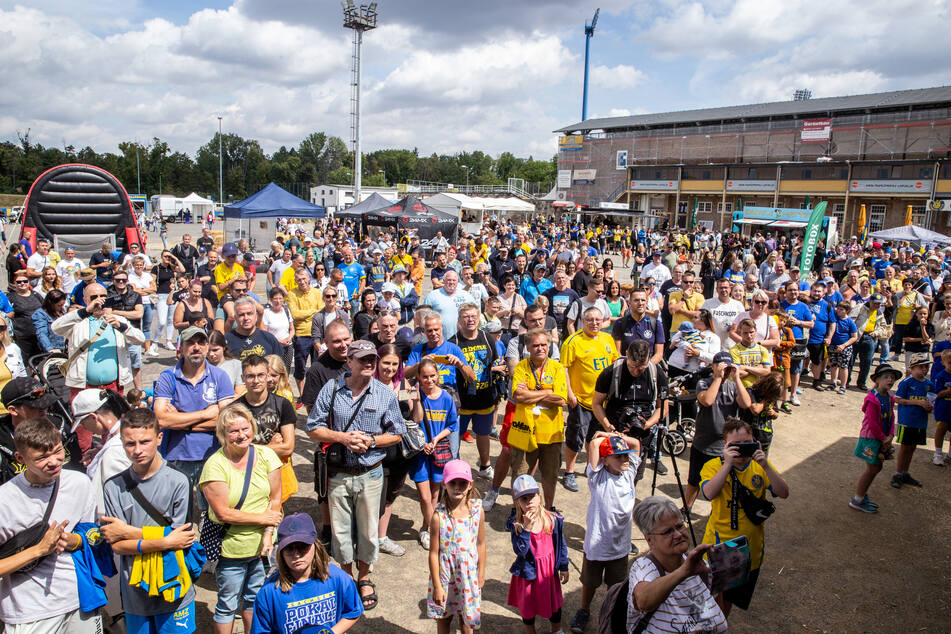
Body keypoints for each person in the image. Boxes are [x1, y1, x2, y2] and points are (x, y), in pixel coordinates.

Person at [305, 340, 406, 611]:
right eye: (363, 359)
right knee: (339, 532)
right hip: (338, 474)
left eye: (372, 358)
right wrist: (343, 438)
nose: (370, 363)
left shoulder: (384, 394)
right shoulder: (332, 389)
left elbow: (398, 433)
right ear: (349, 361)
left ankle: (364, 577)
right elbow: (312, 427)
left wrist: (372, 441)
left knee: (369, 532)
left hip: (371, 474)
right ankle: (346, 576)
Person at [100, 408, 198, 634]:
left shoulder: (178, 481)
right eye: (129, 444)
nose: (137, 450)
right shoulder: (113, 486)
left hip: (174, 587)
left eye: (144, 442)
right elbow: (117, 545)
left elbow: (181, 538)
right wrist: (164, 541)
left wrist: (128, 531)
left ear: (159, 438)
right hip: (136, 594)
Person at [0, 416, 100, 633]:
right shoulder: (5, 500)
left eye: (57, 451)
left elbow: (93, 535)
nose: (54, 461)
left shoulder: (79, 483)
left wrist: (76, 540)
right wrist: (38, 550)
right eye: (42, 457)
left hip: (79, 600)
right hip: (30, 613)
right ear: (20, 458)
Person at [200, 403, 283, 634]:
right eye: (233, 431)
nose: (241, 435)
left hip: (261, 546)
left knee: (254, 599)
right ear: (223, 434)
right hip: (231, 548)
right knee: (227, 603)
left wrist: (268, 533)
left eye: (245, 428)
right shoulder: (215, 466)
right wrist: (262, 519)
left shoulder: (267, 455)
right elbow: (223, 513)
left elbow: (276, 500)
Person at [700, 417, 789, 615]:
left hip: (751, 548)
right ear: (725, 445)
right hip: (721, 547)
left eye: (746, 444)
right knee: (712, 598)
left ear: (755, 442)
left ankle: (721, 626)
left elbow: (783, 492)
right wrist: (727, 465)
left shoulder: (759, 466)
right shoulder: (713, 466)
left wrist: (766, 465)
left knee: (729, 601)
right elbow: (709, 493)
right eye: (735, 445)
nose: (741, 449)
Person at [154, 326, 236, 510]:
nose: (196, 347)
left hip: (213, 455)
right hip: (177, 455)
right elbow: (160, 420)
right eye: (190, 343)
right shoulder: (168, 378)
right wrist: (205, 414)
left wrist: (180, 420)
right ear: (181, 348)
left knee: (211, 514)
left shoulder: (219, 376)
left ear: (207, 346)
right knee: (176, 513)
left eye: (201, 342)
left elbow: (226, 422)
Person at [569, 432, 641, 634]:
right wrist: (602, 437)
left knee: (616, 587)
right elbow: (594, 444)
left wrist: (612, 434)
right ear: (605, 460)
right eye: (618, 456)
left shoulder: (629, 472)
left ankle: (613, 613)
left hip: (620, 546)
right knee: (589, 583)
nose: (625, 459)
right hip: (597, 544)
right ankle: (584, 610)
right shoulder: (597, 476)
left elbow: (635, 442)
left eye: (626, 455)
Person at [627, 496, 726, 633]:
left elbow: (717, 606)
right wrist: (684, 571)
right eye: (667, 532)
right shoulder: (644, 567)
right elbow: (643, 601)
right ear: (649, 539)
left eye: (680, 526)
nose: (678, 534)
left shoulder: (699, 564)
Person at [250, 513, 364, 633]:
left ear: (316, 545)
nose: (297, 555)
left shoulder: (337, 578)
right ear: (281, 552)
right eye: (289, 548)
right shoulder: (269, 592)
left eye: (302, 546)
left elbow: (353, 611)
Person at [52, 282, 146, 407]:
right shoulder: (78, 322)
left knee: (113, 423)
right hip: (83, 386)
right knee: (84, 424)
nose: (99, 301)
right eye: (93, 297)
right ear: (85, 300)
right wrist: (85, 311)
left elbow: (140, 339)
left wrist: (121, 327)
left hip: (113, 386)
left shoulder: (117, 320)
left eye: (103, 296)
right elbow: (56, 327)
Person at [560, 307, 618, 493]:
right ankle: (569, 472)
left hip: (602, 402)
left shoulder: (607, 339)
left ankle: (591, 467)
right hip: (581, 401)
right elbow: (564, 369)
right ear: (583, 321)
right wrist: (569, 393)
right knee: (575, 437)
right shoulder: (573, 342)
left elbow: (615, 364)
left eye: (598, 320)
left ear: (603, 321)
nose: (594, 323)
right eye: (590, 320)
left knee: (595, 437)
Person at [426, 459, 485, 634]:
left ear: (470, 484)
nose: (458, 487)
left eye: (462, 483)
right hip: (445, 577)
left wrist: (481, 572)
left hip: (469, 576)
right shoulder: (439, 516)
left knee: (466, 621)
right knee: (444, 618)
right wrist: (437, 585)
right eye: (453, 483)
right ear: (445, 484)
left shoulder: (477, 511)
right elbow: (433, 553)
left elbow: (481, 543)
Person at [506, 474, 569, 634]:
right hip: (528, 574)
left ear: (539, 497)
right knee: (528, 607)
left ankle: (556, 629)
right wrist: (526, 529)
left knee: (554, 605)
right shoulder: (517, 525)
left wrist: (564, 566)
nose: (529, 503)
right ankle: (530, 631)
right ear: (518, 503)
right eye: (523, 499)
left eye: (532, 497)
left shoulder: (552, 519)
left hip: (548, 572)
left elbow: (561, 544)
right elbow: (520, 550)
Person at [451, 302, 505, 469]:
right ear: (459, 320)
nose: (470, 320)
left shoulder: (487, 337)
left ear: (478, 318)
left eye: (473, 316)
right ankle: (456, 468)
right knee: (455, 437)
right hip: (462, 401)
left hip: (484, 398)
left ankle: (485, 466)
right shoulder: (453, 343)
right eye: (466, 316)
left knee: (483, 434)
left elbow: (493, 361)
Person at [413, 359, 458, 551]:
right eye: (425, 376)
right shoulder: (415, 394)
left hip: (437, 449)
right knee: (424, 497)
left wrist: (436, 440)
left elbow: (452, 425)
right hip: (419, 451)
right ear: (419, 377)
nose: (429, 380)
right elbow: (415, 420)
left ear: (438, 375)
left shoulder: (447, 397)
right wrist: (415, 399)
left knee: (434, 494)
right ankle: (435, 532)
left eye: (432, 376)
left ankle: (425, 527)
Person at [850, 363, 901, 513]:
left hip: (882, 438)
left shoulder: (890, 398)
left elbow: (891, 417)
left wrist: (891, 434)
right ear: (877, 380)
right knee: (873, 468)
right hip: (871, 439)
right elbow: (872, 423)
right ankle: (857, 499)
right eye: (886, 377)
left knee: (876, 467)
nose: (890, 380)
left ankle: (861, 496)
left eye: (892, 378)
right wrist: (883, 438)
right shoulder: (873, 399)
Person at [235, 355, 296, 465]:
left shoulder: (283, 404)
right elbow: (233, 449)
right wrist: (270, 447)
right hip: (244, 469)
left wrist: (248, 448)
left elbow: (287, 448)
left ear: (266, 376)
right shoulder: (234, 409)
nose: (256, 380)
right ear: (243, 378)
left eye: (260, 375)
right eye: (250, 376)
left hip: (277, 468)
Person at [891, 352, 933, 489]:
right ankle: (898, 473)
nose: (924, 370)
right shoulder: (906, 382)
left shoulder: (929, 384)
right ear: (912, 368)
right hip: (907, 420)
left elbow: (932, 398)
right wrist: (917, 403)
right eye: (920, 367)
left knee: (913, 447)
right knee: (905, 447)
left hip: (920, 421)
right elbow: (897, 399)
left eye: (926, 367)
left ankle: (905, 472)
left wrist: (929, 406)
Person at [105, 269, 146, 389]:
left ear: (127, 281)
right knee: (116, 364)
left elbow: (139, 314)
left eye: (123, 280)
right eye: (118, 280)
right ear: (113, 281)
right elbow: (108, 315)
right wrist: (129, 313)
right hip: (115, 334)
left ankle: (138, 391)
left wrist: (117, 312)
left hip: (133, 332)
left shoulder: (135, 295)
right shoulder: (108, 295)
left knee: (136, 364)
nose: (121, 282)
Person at [286, 267, 323, 392]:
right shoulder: (292, 294)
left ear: (308, 278)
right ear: (295, 281)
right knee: (300, 367)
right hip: (301, 334)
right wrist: (313, 311)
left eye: (303, 279)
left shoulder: (317, 293)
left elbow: (321, 312)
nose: (301, 282)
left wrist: (305, 314)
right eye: (298, 280)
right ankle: (301, 395)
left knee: (317, 366)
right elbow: (295, 314)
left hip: (317, 334)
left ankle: (315, 392)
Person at [612, 288, 665, 363]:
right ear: (629, 303)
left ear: (646, 303)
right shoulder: (620, 323)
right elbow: (617, 353)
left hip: (648, 367)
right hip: (626, 367)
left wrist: (645, 367)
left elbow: (659, 354)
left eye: (643, 300)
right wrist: (632, 367)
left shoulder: (656, 324)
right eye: (636, 300)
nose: (640, 303)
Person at [8, 270, 43, 360]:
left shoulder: (36, 294)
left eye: (25, 281)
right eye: (19, 282)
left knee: (39, 359)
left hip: (39, 332)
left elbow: (45, 309)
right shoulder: (11, 297)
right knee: (25, 360)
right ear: (14, 284)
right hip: (22, 334)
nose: (22, 283)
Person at [829, 300, 859, 393]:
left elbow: (854, 337)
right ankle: (833, 383)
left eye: (841, 309)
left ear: (847, 311)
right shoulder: (835, 319)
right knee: (833, 365)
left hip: (845, 347)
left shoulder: (850, 322)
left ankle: (843, 385)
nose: (838, 311)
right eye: (838, 309)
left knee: (843, 367)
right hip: (833, 345)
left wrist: (844, 345)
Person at [32, 288, 67, 354]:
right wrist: (50, 349)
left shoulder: (62, 311)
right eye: (59, 305)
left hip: (66, 348)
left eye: (63, 304)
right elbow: (42, 334)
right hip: (54, 349)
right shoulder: (40, 314)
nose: (62, 307)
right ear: (51, 304)